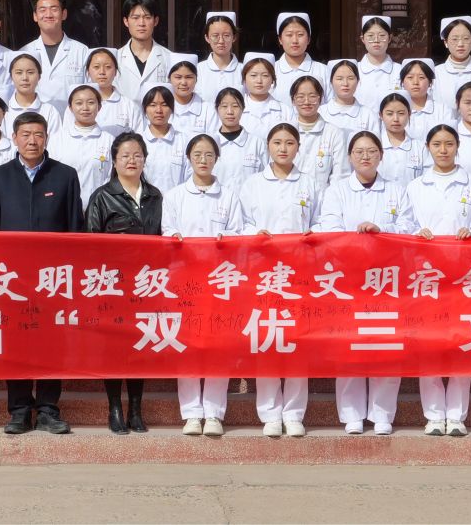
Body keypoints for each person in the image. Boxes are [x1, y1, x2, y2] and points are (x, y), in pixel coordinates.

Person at [0, 113, 84, 434]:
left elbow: (75, 229)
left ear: (47, 137)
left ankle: (49, 409)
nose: (32, 141)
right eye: (25, 134)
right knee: (16, 343)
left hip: (54, 278)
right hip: (11, 280)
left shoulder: (65, 175)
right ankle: (20, 410)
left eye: (38, 134)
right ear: (14, 138)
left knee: (53, 342)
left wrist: (72, 275)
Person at [316, 131, 414, 436]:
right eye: (359, 151)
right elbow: (329, 227)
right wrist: (358, 240)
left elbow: (408, 227)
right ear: (349, 157)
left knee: (386, 344)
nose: (365, 156)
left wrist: (380, 231)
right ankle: (352, 414)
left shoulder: (396, 190)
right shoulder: (337, 191)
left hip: (387, 278)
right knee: (350, 346)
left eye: (371, 151)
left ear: (381, 156)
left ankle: (383, 413)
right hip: (349, 278)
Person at [228, 122, 316, 438]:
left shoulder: (309, 183)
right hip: (263, 272)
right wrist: (256, 234)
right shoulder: (252, 184)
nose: (283, 148)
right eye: (277, 142)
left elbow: (321, 221)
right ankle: (269, 413)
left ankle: (294, 413)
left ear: (298, 148)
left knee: (296, 340)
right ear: (268, 146)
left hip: (299, 272)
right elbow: (240, 224)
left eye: (289, 143)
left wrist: (312, 234)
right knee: (267, 338)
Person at [406, 123, 471, 437]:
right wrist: (417, 233)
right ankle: (434, 415)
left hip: (463, 274)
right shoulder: (416, 186)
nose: (443, 150)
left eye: (449, 144)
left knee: (461, 344)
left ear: (457, 147)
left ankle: (456, 416)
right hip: (426, 276)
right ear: (428, 147)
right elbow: (402, 223)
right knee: (430, 345)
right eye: (437, 144)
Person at [85, 132, 167, 434]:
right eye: (125, 156)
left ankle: (135, 408)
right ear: (114, 160)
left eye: (137, 155)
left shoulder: (155, 196)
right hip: (113, 284)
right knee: (114, 347)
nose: (132, 161)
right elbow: (90, 243)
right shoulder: (102, 196)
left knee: (139, 344)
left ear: (145, 159)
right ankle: (114, 408)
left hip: (146, 284)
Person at [161, 133, 232, 437]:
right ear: (188, 159)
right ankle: (191, 412)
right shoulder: (175, 195)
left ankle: (214, 413)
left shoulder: (228, 195)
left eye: (209, 155)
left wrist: (226, 239)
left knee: (218, 344)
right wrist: (175, 238)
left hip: (220, 279)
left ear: (217, 159)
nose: (203, 160)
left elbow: (239, 231)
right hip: (186, 279)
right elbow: (167, 230)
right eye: (197, 155)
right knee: (187, 344)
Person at [20, 0, 90, 107]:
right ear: (35, 16)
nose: (48, 15)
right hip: (35, 116)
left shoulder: (81, 51)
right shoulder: (25, 52)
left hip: (70, 117)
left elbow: (90, 92)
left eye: (54, 9)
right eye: (42, 10)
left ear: (64, 14)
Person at [51, 85, 116, 202]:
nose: (85, 108)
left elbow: (113, 177)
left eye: (91, 102)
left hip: (99, 207)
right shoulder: (57, 139)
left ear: (99, 107)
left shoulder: (109, 140)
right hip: (64, 206)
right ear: (70, 108)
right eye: (79, 103)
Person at [115, 0, 172, 102]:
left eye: (147, 17)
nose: (141, 23)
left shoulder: (168, 57)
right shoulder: (115, 59)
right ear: (126, 21)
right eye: (135, 18)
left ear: (155, 21)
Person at [210, 87, 265, 189]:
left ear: (243, 108)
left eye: (235, 106)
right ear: (217, 109)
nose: (230, 111)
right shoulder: (209, 143)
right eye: (224, 106)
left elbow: (265, 178)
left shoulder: (257, 143)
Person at [136, 86, 188, 192]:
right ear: (145, 109)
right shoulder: (136, 141)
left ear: (172, 108)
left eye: (164, 105)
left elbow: (190, 176)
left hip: (176, 201)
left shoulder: (184, 141)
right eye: (153, 105)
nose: (159, 110)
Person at [3, 52, 63, 137]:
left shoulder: (50, 111)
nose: (25, 78)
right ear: (11, 76)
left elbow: (55, 142)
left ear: (39, 76)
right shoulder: (3, 111)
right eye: (19, 72)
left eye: (30, 72)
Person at [272, 12, 327, 102]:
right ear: (280, 39)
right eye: (289, 35)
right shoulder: (271, 71)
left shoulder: (324, 71)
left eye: (300, 35)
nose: (295, 40)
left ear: (309, 39)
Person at [84, 47, 138, 132]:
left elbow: (139, 137)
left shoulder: (129, 106)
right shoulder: (77, 106)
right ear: (88, 72)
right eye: (96, 67)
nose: (102, 72)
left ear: (116, 71)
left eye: (108, 67)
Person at [376, 93, 424, 188]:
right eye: (389, 114)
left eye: (401, 113)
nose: (396, 119)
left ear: (409, 114)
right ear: (381, 115)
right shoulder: (373, 146)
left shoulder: (420, 148)